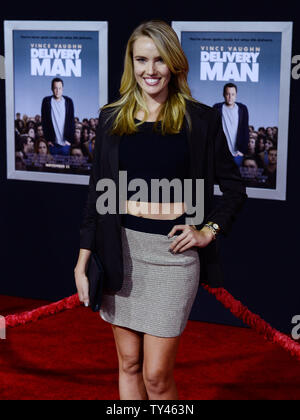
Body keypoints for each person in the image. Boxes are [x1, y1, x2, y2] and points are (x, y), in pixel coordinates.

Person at [74, 20, 247, 401]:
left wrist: (208, 230)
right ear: (130, 64)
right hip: (119, 252)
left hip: (173, 258)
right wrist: (82, 260)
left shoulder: (200, 120)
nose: (149, 70)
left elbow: (234, 188)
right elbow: (97, 193)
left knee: (156, 376)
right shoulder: (110, 118)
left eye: (159, 60)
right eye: (141, 60)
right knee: (129, 365)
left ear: (174, 64)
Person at [213, 83, 250, 157]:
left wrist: (242, 151)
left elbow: (245, 130)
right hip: (221, 152)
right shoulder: (217, 108)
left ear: (236, 95)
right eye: (228, 94)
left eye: (233, 94)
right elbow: (213, 130)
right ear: (224, 94)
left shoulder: (242, 109)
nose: (230, 97)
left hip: (237, 153)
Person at [41, 78, 75, 156]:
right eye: (55, 88)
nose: (57, 91)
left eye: (59, 88)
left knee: (65, 167)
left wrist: (69, 140)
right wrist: (48, 140)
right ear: (52, 88)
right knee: (51, 167)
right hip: (52, 144)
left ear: (62, 88)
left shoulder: (69, 101)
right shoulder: (46, 101)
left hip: (65, 144)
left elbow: (71, 122)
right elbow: (44, 122)